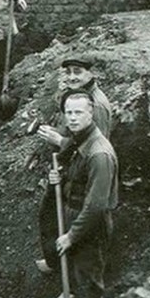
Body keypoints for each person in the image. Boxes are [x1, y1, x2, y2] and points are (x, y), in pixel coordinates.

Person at [34, 55, 112, 275]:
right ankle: (56, 263)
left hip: (83, 177)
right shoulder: (76, 97)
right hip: (67, 169)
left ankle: (74, 289)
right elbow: (74, 133)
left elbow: (95, 145)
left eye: (77, 72)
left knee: (76, 228)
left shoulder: (96, 106)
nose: (72, 77)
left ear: (90, 74)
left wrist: (59, 141)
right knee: (50, 216)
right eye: (68, 72)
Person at [47, 90, 118, 298]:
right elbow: (79, 177)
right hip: (76, 215)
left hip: (90, 225)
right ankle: (73, 295)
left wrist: (72, 235)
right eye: (68, 112)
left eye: (78, 112)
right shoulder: (80, 141)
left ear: (91, 115)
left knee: (89, 280)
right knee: (76, 267)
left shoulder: (99, 154)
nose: (72, 117)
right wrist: (60, 177)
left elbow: (96, 205)